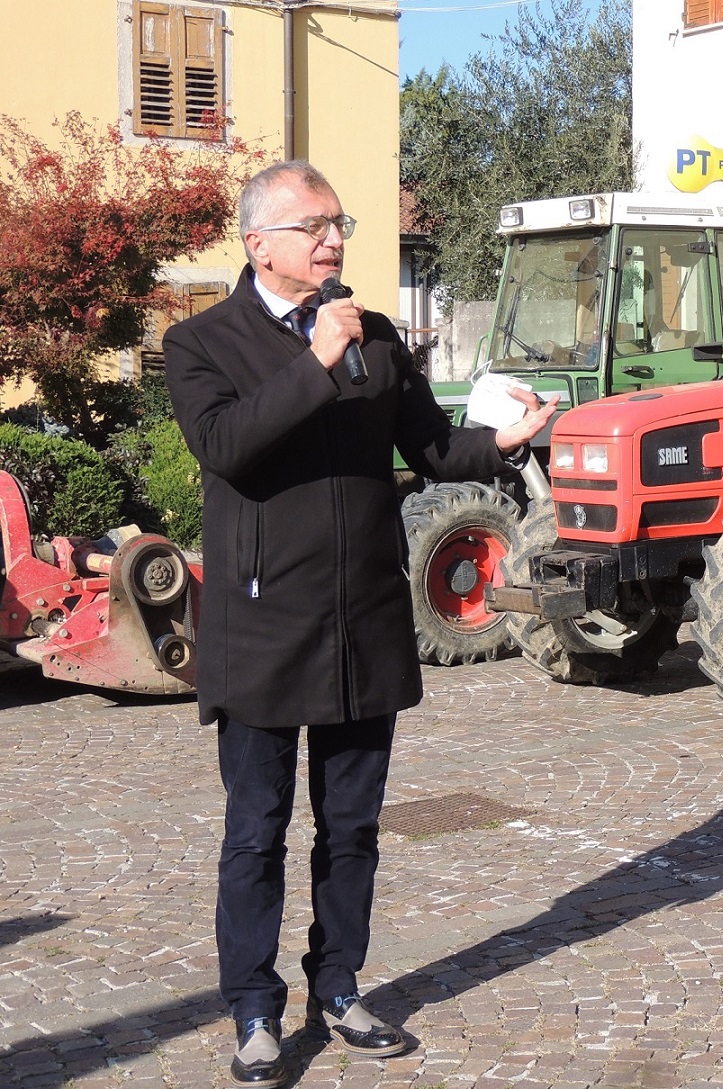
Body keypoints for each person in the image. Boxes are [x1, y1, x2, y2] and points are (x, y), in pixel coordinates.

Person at [164, 160, 557, 1088]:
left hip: (362, 624)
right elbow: (227, 446)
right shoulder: (202, 343)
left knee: (353, 826)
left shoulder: (375, 337)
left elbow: (427, 444)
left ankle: (337, 986)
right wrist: (313, 362)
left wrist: (499, 443)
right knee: (256, 830)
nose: (334, 239)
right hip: (261, 630)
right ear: (258, 243)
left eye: (340, 222)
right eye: (314, 225)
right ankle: (254, 1009)